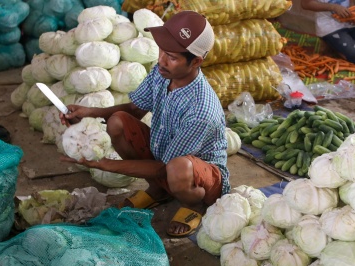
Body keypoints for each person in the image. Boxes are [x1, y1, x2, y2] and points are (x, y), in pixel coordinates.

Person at [60, 10, 229, 238]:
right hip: (165, 158)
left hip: (201, 177)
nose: (161, 60)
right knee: (118, 121)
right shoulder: (162, 73)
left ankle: (195, 206)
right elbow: (135, 109)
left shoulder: (201, 109)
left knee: (178, 169)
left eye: (172, 56)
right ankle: (159, 190)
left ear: (196, 61)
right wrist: (90, 113)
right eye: (161, 51)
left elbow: (165, 167)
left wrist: (106, 164)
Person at [302, 0, 355, 66]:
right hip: (330, 27)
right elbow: (306, 4)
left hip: (350, 24)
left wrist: (353, 12)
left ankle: (342, 47)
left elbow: (350, 2)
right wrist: (333, 7)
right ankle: (332, 47)